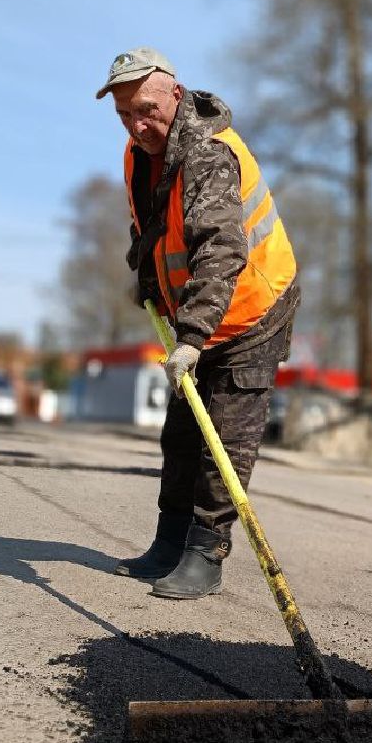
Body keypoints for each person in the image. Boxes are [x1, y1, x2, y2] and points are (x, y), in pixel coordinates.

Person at [98, 47, 300, 599]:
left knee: (224, 442)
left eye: (146, 109)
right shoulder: (143, 153)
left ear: (176, 95)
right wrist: (144, 276)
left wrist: (191, 339)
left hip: (252, 309)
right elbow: (154, 227)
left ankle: (206, 554)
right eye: (124, 115)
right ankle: (168, 542)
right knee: (182, 435)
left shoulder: (208, 155)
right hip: (198, 314)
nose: (137, 125)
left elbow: (219, 250)